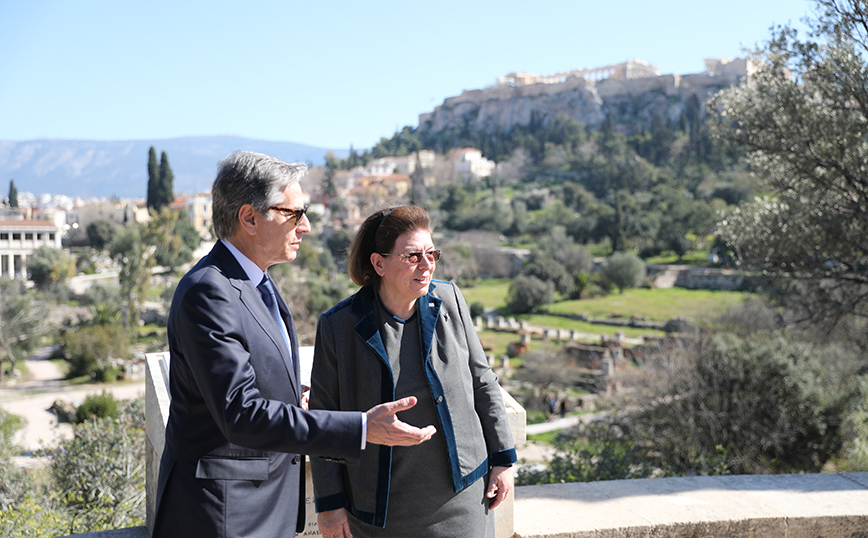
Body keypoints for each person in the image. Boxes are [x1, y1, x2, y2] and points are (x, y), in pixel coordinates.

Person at [153, 152, 436, 538]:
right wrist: (360, 428)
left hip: (265, 511)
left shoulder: (260, 283)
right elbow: (240, 414)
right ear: (250, 218)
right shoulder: (209, 292)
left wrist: (290, 396)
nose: (305, 226)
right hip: (224, 516)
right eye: (294, 213)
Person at [310, 206, 517, 538]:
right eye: (412, 256)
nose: (427, 265)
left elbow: (483, 381)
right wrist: (329, 505)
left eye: (431, 253)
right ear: (379, 263)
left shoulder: (450, 299)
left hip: (464, 500)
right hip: (380, 512)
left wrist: (503, 459)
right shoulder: (338, 326)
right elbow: (324, 421)